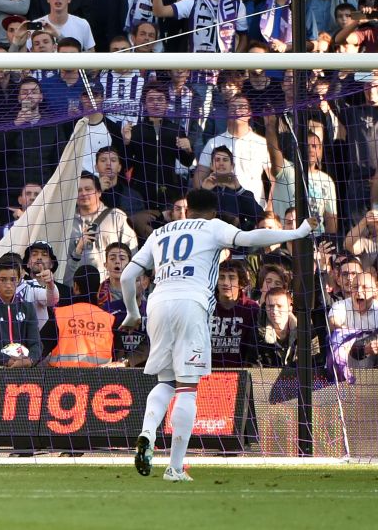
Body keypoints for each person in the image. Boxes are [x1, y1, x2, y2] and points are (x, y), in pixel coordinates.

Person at [121, 188, 317, 481]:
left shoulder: (161, 232)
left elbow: (126, 276)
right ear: (213, 210)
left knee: (165, 381)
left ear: (187, 208)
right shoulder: (212, 227)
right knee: (187, 387)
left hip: (158, 304)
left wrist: (132, 313)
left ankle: (147, 434)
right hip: (192, 303)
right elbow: (251, 238)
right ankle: (174, 468)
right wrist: (297, 232)